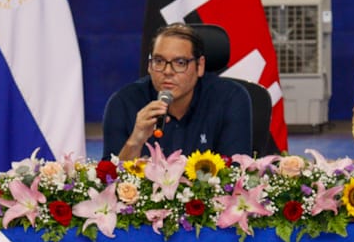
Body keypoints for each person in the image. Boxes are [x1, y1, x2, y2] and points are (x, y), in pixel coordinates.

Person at [102, 23, 252, 160]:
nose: (167, 71)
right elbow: (109, 181)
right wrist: (135, 141)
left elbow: (235, 174)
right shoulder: (123, 103)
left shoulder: (230, 99)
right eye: (159, 61)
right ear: (149, 66)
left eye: (180, 63)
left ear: (199, 66)